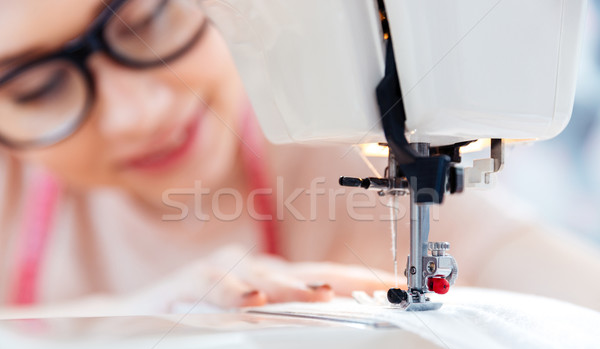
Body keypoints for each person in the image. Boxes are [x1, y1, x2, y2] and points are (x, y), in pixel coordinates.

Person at [0, 0, 598, 318]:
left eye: (147, 20)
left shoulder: (329, 148)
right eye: (35, 87)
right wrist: (127, 322)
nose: (137, 112)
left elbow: (547, 275)